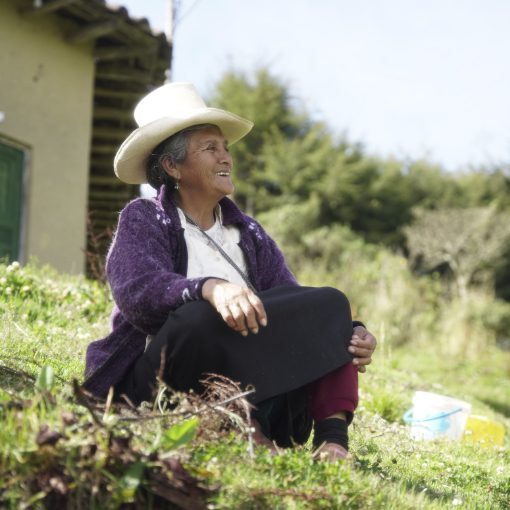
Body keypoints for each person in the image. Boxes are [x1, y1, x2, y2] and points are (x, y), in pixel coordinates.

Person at [83, 82, 376, 461]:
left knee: (331, 305)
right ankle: (243, 433)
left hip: (255, 384)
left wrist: (345, 332)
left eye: (225, 148)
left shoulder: (248, 233)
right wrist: (209, 288)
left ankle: (332, 443)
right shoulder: (145, 217)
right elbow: (136, 292)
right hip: (157, 384)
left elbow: (291, 306)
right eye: (210, 149)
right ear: (173, 167)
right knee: (195, 317)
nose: (226, 158)